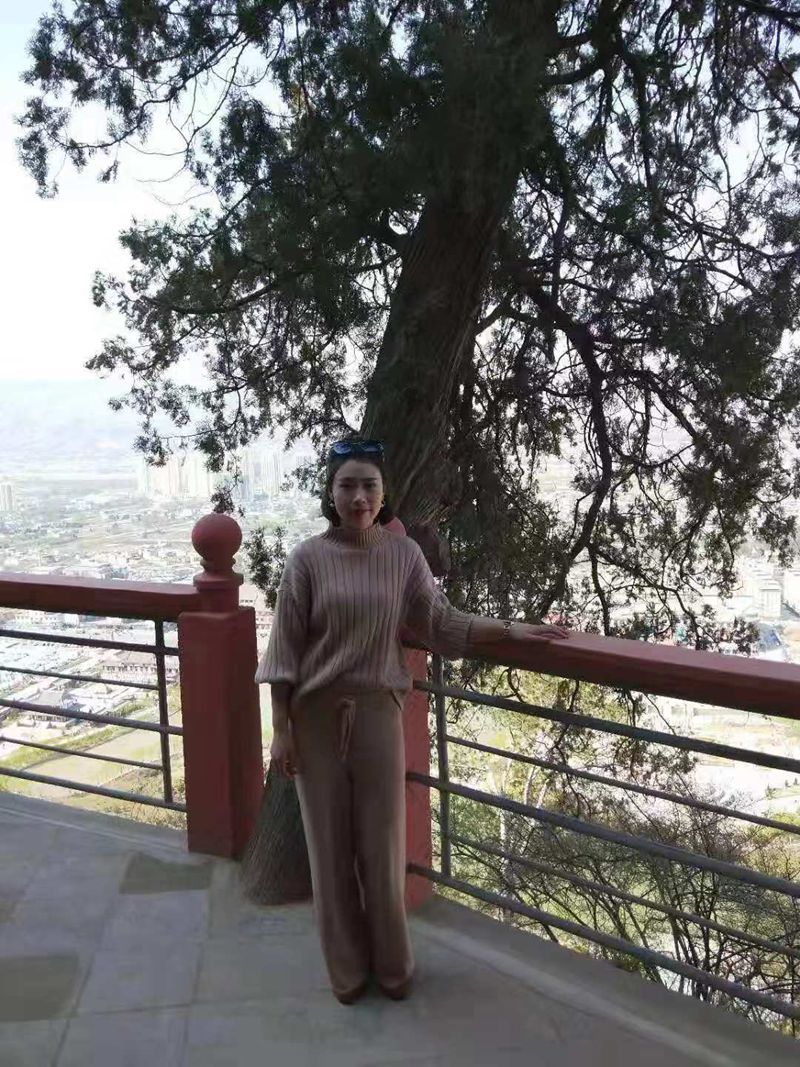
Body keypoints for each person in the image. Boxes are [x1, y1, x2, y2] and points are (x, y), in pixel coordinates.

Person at [255, 437, 569, 1005]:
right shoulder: (306, 559)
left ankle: (394, 967)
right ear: (330, 494)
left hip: (378, 711)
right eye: (347, 485)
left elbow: (440, 622)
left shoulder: (403, 556)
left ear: (384, 494)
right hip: (314, 717)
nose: (358, 497)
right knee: (327, 850)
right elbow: (285, 650)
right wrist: (281, 729)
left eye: (369, 486)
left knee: (382, 846)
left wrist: (511, 630)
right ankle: (346, 973)